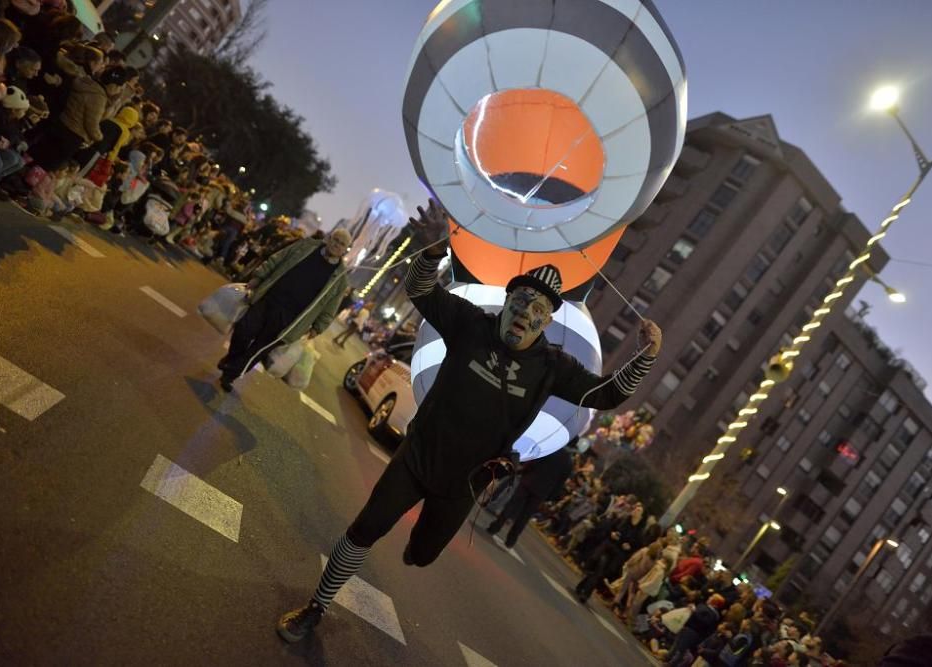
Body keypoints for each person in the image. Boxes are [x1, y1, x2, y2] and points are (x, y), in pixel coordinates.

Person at [276, 198, 662, 642]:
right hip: (418, 456)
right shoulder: (470, 323)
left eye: (538, 312)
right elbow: (420, 289)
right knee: (364, 530)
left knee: (420, 555)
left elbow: (608, 393)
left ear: (547, 322)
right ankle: (315, 607)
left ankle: (420, 544)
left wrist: (646, 356)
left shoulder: (554, 366)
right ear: (508, 301)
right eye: (520, 303)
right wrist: (437, 250)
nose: (525, 315)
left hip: (466, 483)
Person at [217, 228, 352, 391]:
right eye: (335, 239)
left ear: (345, 250)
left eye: (342, 244)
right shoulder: (306, 246)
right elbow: (278, 258)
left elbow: (331, 307)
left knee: (259, 349)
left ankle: (230, 375)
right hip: (269, 298)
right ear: (328, 238)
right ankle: (231, 360)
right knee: (243, 329)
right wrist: (258, 276)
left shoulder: (340, 279)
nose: (336, 245)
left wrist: (318, 328)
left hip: (290, 319)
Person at [487, 444, 573, 548]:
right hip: (542, 492)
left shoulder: (551, 448)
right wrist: (550, 496)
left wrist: (523, 471)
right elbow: (560, 483)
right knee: (525, 516)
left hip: (529, 481)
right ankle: (511, 540)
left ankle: (496, 526)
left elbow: (535, 462)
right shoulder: (569, 462)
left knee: (512, 505)